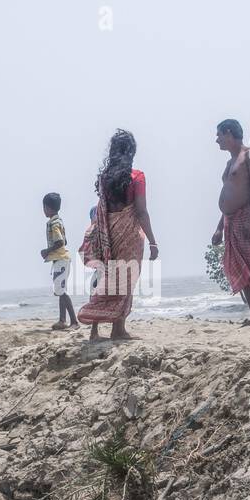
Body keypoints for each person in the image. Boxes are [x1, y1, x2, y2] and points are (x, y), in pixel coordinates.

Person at [78, 129, 158, 341]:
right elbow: (141, 212)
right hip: (129, 234)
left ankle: (95, 330)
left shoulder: (104, 179)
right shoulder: (137, 177)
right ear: (131, 152)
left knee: (107, 278)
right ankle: (118, 330)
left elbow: (101, 208)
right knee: (126, 280)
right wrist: (153, 241)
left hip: (108, 233)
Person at [211, 118, 250, 326]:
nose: (217, 140)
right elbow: (228, 196)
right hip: (230, 219)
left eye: (219, 135)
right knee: (239, 267)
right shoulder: (229, 162)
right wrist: (218, 228)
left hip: (246, 216)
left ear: (229, 133)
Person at [41, 192, 78, 330]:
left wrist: (47, 251)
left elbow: (60, 242)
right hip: (62, 260)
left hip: (61, 260)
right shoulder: (59, 221)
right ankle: (62, 320)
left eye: (44, 207)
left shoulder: (53, 224)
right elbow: (65, 240)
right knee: (60, 290)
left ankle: (74, 322)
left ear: (47, 207)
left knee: (61, 291)